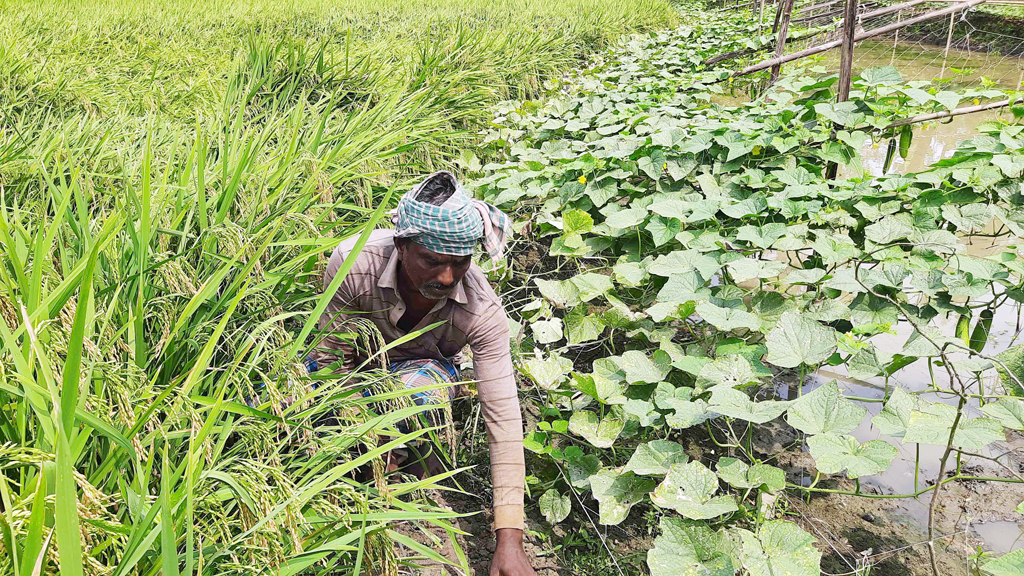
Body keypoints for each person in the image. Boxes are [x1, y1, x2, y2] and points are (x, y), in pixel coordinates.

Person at [314, 171, 535, 576]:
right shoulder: (355, 261)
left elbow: (503, 418)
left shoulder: (481, 311)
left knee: (421, 391)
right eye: (432, 261)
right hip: (356, 367)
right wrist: (358, 425)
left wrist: (510, 540)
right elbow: (331, 361)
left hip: (420, 373)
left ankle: (409, 487)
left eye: (459, 262)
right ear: (402, 245)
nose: (447, 277)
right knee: (289, 406)